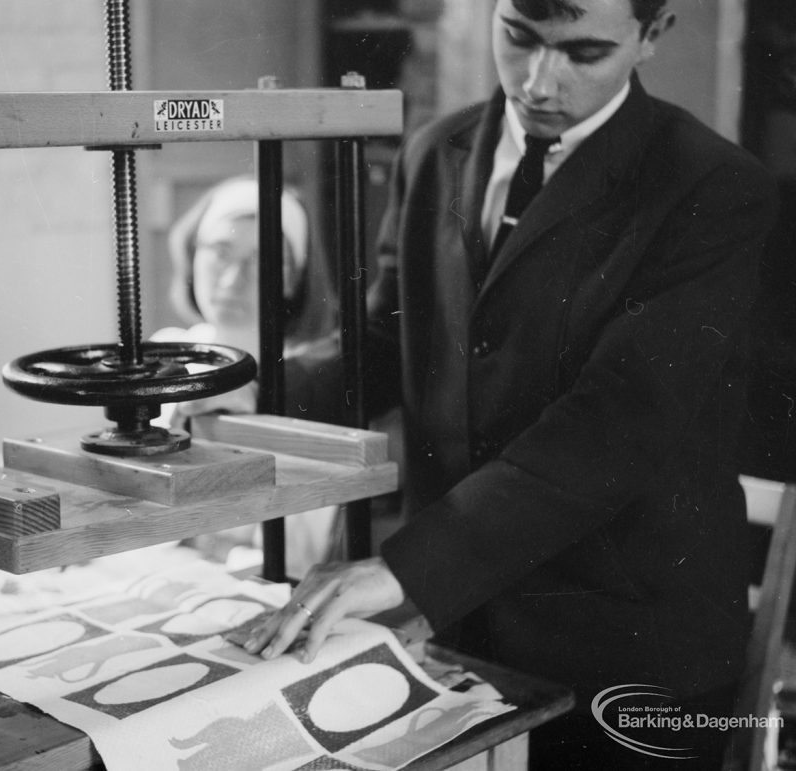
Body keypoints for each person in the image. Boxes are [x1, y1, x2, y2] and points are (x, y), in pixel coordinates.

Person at [243, 1, 779, 768]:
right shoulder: (439, 150)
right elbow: (391, 337)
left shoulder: (713, 188)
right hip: (465, 629)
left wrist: (406, 567)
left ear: (653, 35)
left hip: (630, 651)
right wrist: (241, 392)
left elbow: (615, 423)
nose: (537, 81)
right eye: (518, 37)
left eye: (583, 52)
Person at [152, 176, 340, 575]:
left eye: (263, 261)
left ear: (293, 279)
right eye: (220, 252)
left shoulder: (310, 383)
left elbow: (293, 556)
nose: (233, 279)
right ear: (192, 253)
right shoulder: (162, 353)